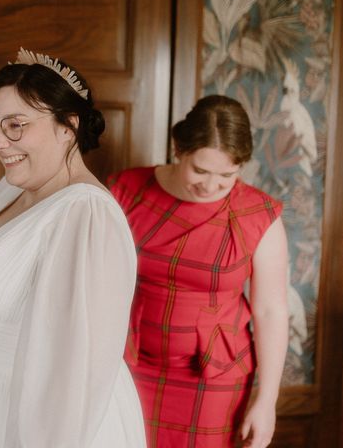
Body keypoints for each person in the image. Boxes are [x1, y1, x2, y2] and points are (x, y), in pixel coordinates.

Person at [0, 48, 145, 447]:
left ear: (67, 127)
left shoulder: (86, 215)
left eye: (15, 126)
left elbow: (77, 364)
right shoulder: (15, 188)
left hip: (26, 412)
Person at [108, 95, 289, 448]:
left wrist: (267, 402)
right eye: (200, 170)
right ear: (179, 149)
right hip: (128, 362)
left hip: (213, 377)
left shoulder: (259, 214)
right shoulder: (126, 190)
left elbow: (271, 310)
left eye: (227, 175)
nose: (210, 186)